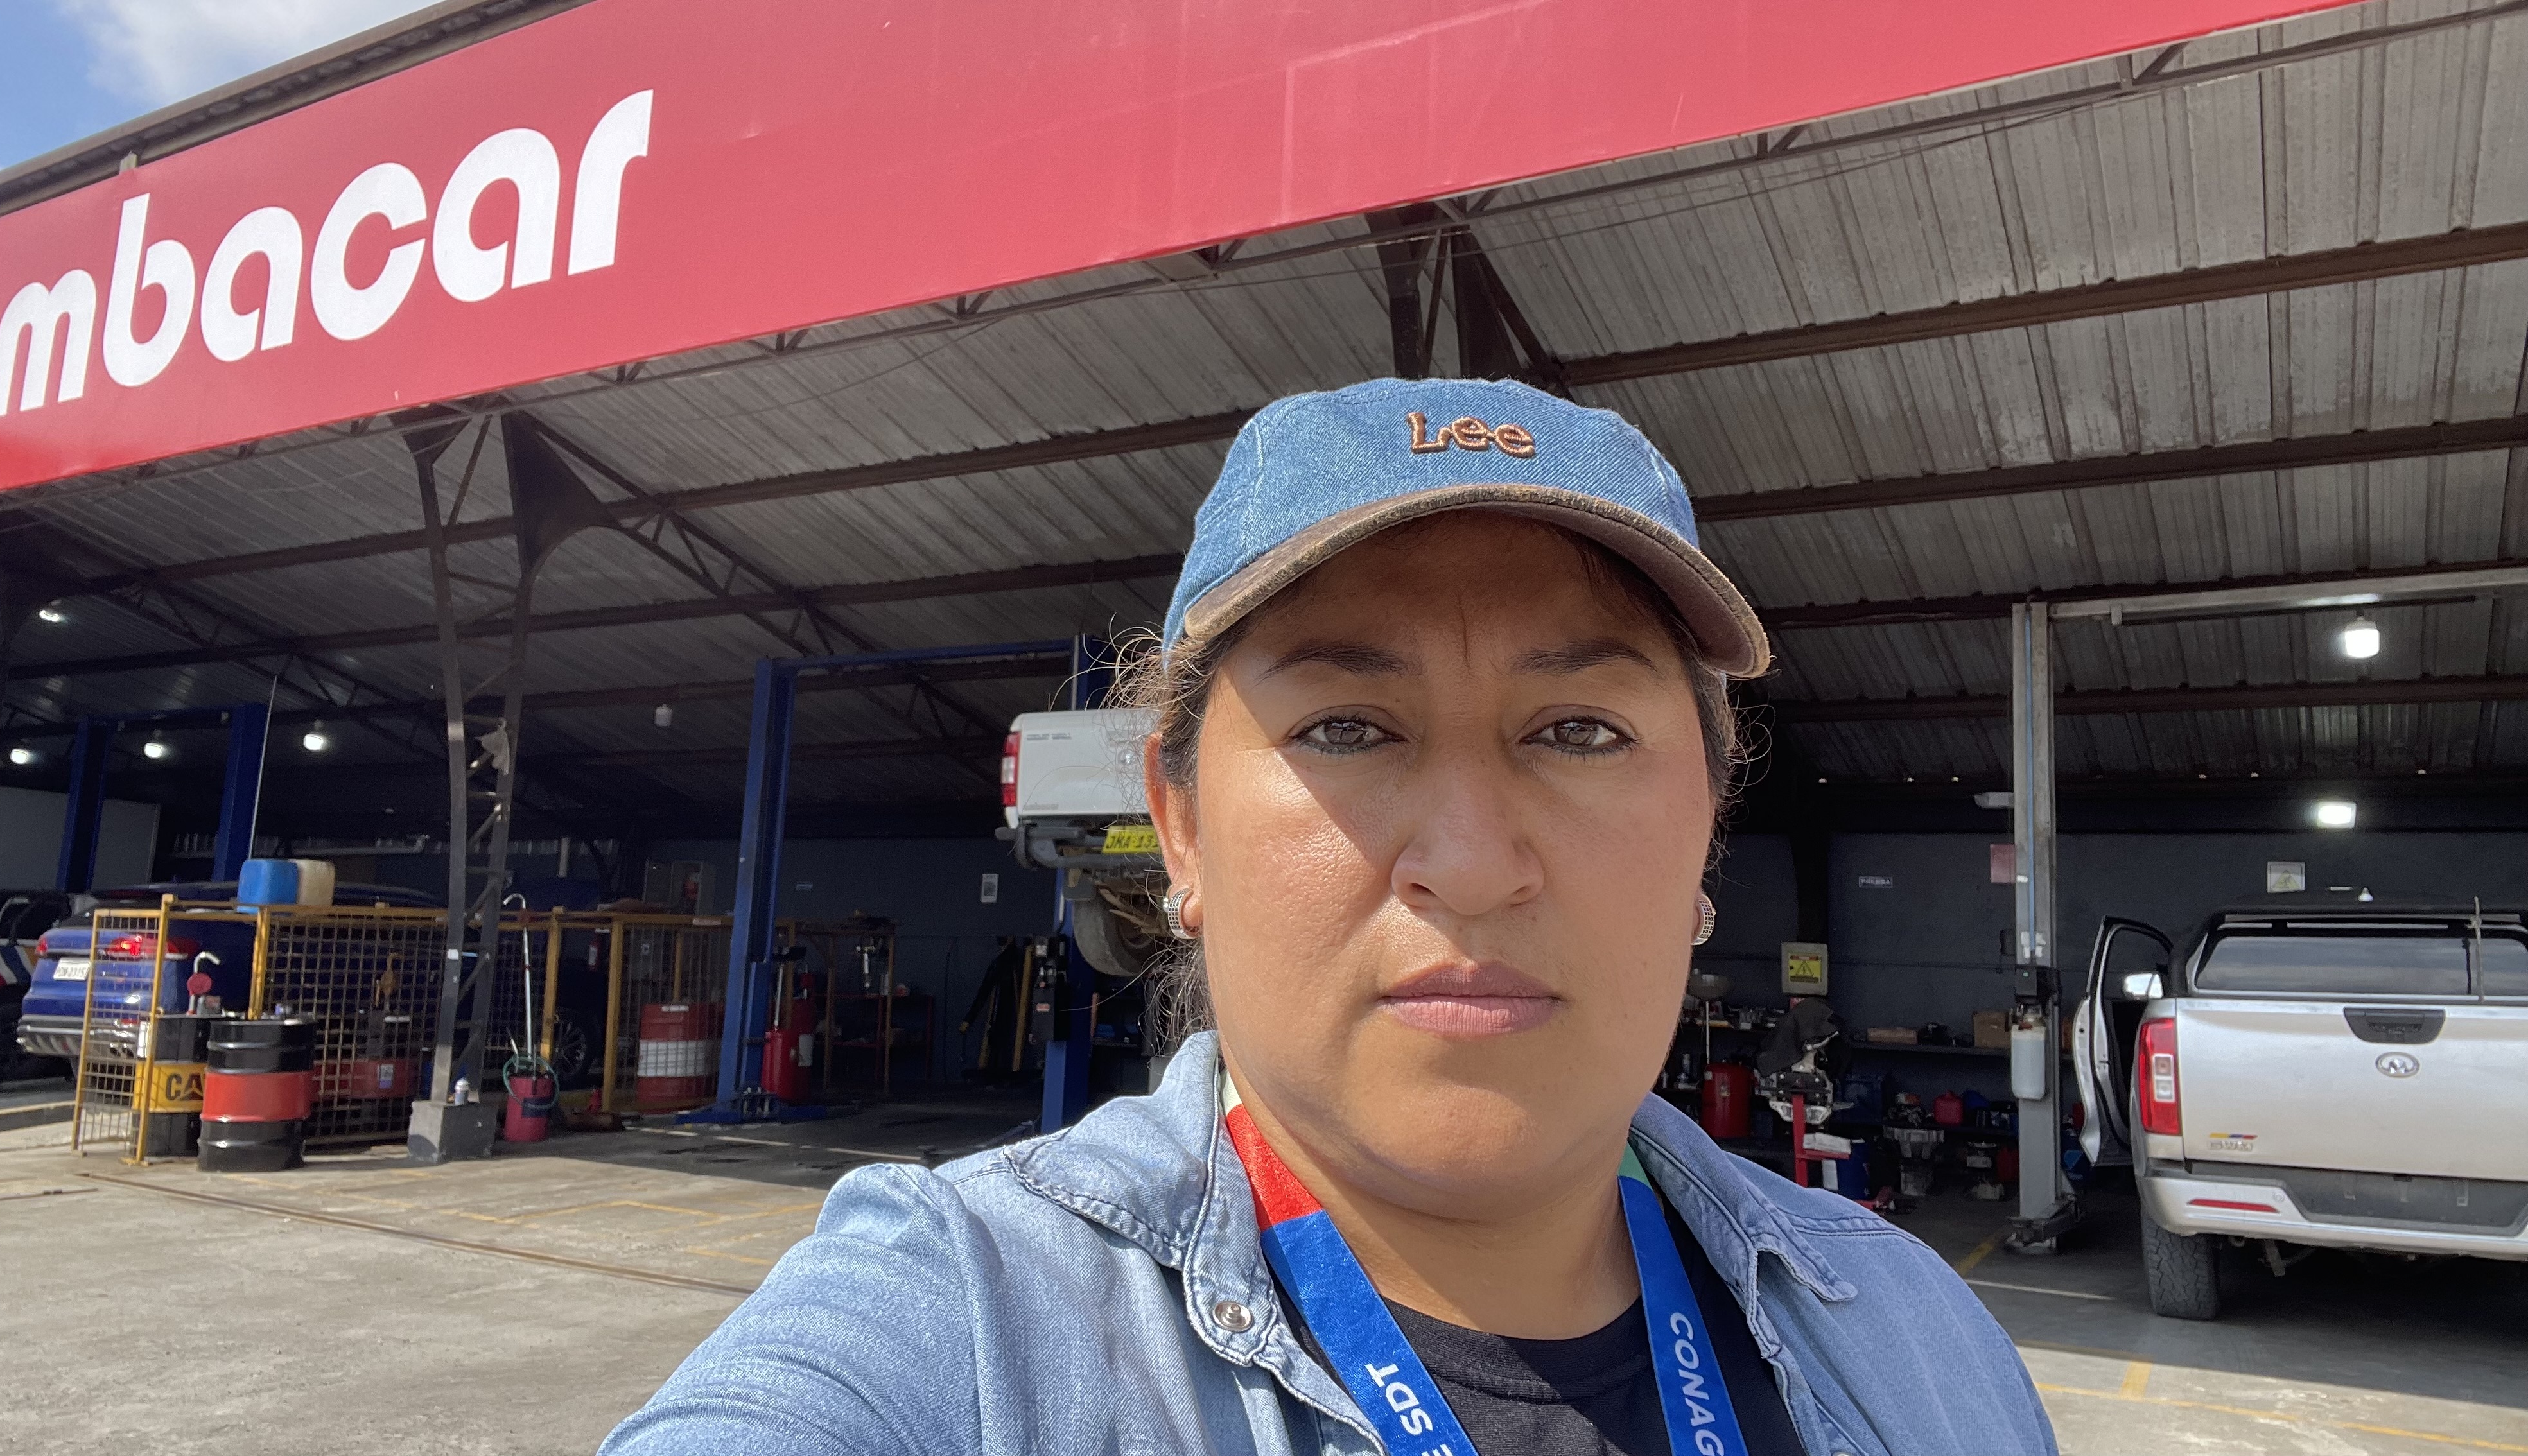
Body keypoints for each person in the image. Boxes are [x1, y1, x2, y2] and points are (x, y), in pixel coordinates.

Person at [602, 379, 2055, 1456]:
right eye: (1347, 729)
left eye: (1582, 731)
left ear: (1703, 836)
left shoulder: (1913, 1336)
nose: (1472, 865)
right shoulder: (957, 1329)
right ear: (1180, 828)